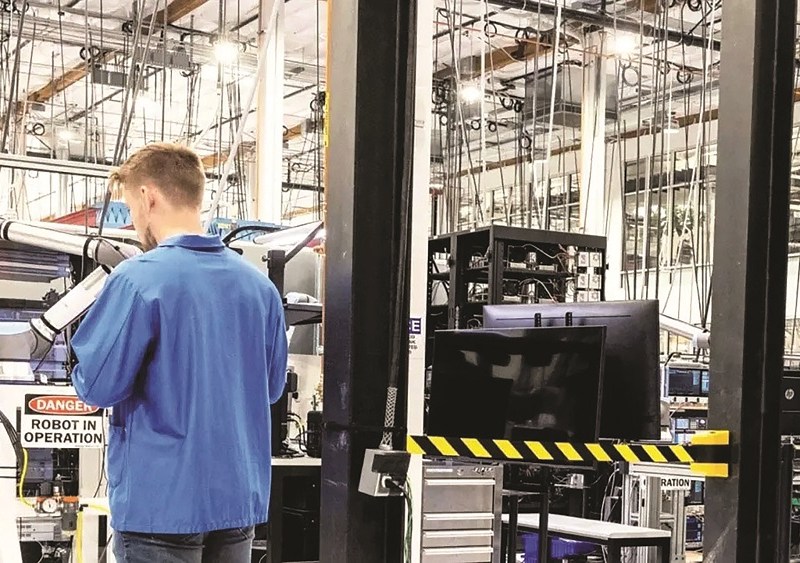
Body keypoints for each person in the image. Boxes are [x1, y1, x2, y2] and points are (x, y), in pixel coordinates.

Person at [71, 142, 288, 562]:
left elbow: (98, 386)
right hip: (236, 501)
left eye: (130, 208)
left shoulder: (138, 280)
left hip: (161, 507)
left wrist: (78, 363)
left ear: (147, 196)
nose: (134, 221)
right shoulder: (260, 289)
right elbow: (272, 388)